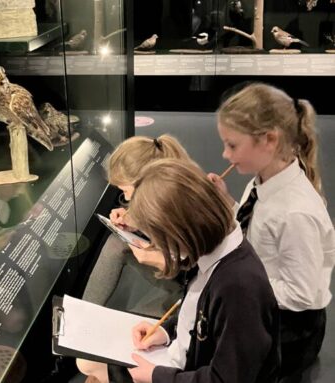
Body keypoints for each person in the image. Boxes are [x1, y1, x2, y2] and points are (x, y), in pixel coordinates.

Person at [78, 159, 280, 383]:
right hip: (182, 359)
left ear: (180, 233)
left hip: (184, 372)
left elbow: (228, 378)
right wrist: (166, 331)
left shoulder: (239, 288)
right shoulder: (213, 256)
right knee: (89, 364)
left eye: (159, 239)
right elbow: (198, 317)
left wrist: (157, 376)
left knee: (90, 365)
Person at [207, 82, 335, 381]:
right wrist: (228, 203)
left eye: (232, 145)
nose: (225, 154)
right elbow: (258, 229)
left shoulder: (295, 213)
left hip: (287, 333)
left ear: (269, 140)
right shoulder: (263, 179)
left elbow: (301, 295)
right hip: (265, 307)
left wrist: (239, 283)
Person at [82, 134, 191, 317]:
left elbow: (195, 271)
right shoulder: (168, 195)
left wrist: (156, 259)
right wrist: (133, 220)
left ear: (146, 184)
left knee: (136, 327)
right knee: (115, 243)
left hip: (191, 287)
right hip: (179, 269)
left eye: (125, 190)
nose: (125, 198)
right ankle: (84, 313)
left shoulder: (183, 214)